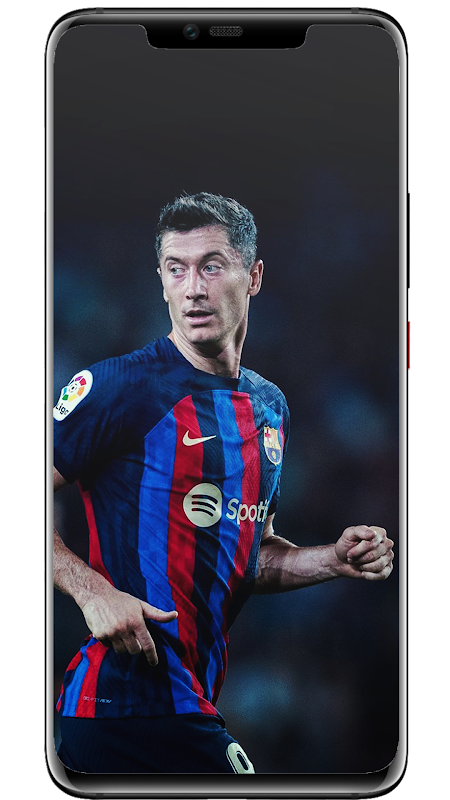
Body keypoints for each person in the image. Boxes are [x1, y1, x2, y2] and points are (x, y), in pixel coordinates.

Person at [53, 192, 394, 774]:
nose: (192, 289)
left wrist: (333, 560)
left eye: (211, 266)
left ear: (253, 276)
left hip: (189, 699)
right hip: (122, 703)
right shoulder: (118, 388)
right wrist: (92, 591)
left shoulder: (269, 408)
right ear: (161, 281)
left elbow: (246, 558)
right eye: (176, 269)